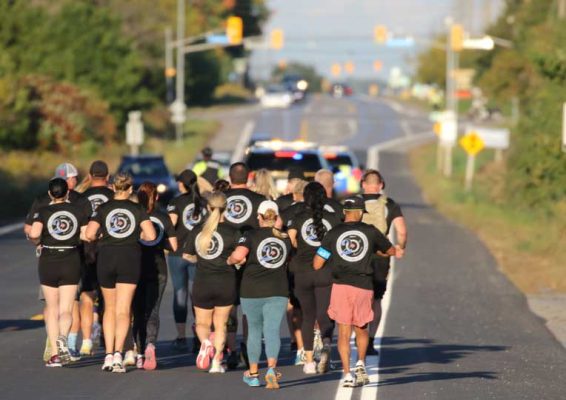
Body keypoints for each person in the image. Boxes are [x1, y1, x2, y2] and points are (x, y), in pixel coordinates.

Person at [313, 196, 401, 388]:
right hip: (364, 286)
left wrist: (333, 255)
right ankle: (361, 363)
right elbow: (391, 251)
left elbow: (317, 264)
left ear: (345, 213)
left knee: (343, 331)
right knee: (361, 328)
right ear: (360, 213)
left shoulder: (333, 233)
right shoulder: (370, 231)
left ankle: (347, 374)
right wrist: (375, 250)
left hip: (341, 286)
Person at [85, 172, 156, 373]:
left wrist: (102, 234)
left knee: (109, 307)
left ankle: (107, 355)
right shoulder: (137, 209)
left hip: (107, 258)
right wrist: (136, 234)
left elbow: (89, 234)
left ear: (113, 188)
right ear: (130, 189)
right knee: (124, 309)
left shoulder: (103, 208)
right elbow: (150, 235)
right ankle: (118, 354)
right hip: (130, 259)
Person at [24, 162, 90, 362]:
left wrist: (38, 241)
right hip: (70, 259)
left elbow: (33, 233)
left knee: (51, 308)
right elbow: (86, 235)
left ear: (51, 194)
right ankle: (63, 338)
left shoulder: (43, 212)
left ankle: (54, 352)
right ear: (67, 193)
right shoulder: (77, 211)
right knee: (67, 308)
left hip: (48, 261)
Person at [227, 200, 291, 389]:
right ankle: (271, 369)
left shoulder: (250, 235)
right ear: (277, 217)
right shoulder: (285, 238)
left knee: (254, 332)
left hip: (252, 290)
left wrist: (231, 260)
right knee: (272, 330)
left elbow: (238, 256)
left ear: (259, 217)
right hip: (278, 289)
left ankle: (254, 374)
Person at [287, 182, 341, 374]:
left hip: (302, 273)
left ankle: (309, 361)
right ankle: (326, 344)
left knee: (308, 317)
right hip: (326, 272)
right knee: (325, 314)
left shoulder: (298, 217)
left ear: (306, 198)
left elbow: (291, 239)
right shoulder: (334, 218)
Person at [183, 191, 239, 373]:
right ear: (226, 208)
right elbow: (239, 258)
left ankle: (206, 342)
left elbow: (187, 255)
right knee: (221, 324)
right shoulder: (233, 232)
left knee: (201, 324)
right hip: (226, 283)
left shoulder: (198, 230)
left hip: (203, 281)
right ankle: (216, 362)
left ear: (208, 207)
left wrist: (201, 259)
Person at [223, 162, 267, 368]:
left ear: (230, 177)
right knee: (250, 307)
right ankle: (249, 349)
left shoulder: (221, 199)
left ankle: (231, 350)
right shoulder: (259, 200)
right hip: (253, 260)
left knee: (230, 306)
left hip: (227, 258)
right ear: (248, 177)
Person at [360, 169, 407, 355]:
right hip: (381, 256)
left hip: (358, 255)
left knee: (358, 295)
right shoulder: (389, 204)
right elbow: (401, 231)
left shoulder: (353, 202)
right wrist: (399, 247)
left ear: (363, 184)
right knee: (376, 299)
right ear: (381, 185)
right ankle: (370, 341)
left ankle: (357, 334)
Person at [133, 182, 178, 370]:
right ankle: (151, 343)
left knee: (137, 310)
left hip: (135, 267)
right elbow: (173, 246)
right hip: (158, 268)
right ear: (156, 197)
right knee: (153, 309)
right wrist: (160, 241)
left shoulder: (134, 216)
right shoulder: (163, 217)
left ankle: (138, 350)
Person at [76, 160, 114, 357]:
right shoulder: (114, 196)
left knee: (87, 296)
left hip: (87, 251)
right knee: (108, 297)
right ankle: (109, 338)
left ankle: (87, 341)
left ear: (90, 176)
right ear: (107, 177)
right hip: (109, 250)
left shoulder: (81, 197)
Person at [167, 169, 207, 352]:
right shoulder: (204, 203)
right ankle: (200, 334)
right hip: (198, 254)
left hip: (178, 254)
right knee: (196, 295)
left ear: (181, 184)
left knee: (180, 294)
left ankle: (181, 336)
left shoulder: (176, 202)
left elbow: (170, 226)